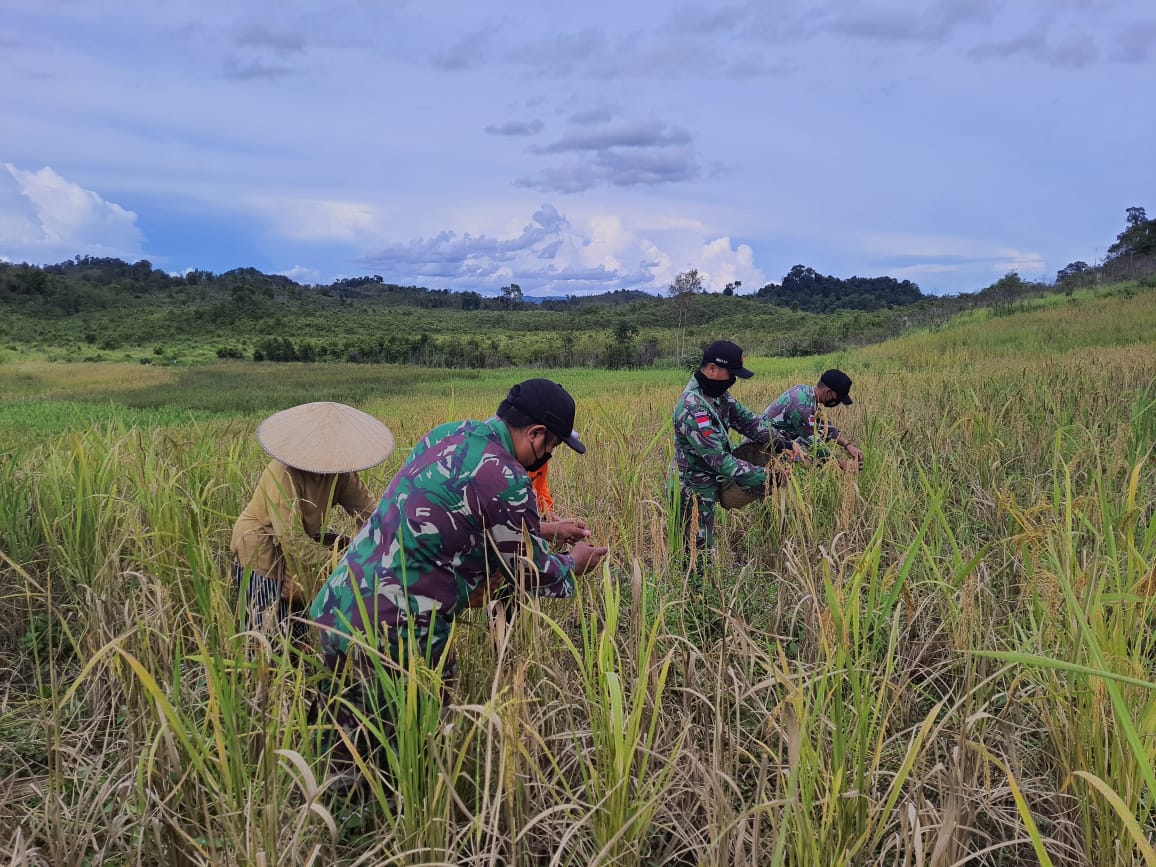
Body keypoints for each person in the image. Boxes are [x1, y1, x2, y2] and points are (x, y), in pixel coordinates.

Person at [310, 378, 608, 686]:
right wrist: (573, 563)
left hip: (337, 607)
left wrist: (546, 530)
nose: (547, 455)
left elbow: (459, 518)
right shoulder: (508, 477)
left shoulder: (445, 434)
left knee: (336, 717)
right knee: (420, 716)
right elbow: (530, 572)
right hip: (392, 636)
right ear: (535, 433)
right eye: (551, 446)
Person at [230, 401, 395, 638]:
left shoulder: (341, 474)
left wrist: (392, 542)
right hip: (260, 547)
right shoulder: (283, 473)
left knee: (300, 625)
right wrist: (345, 563)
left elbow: (372, 514)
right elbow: (292, 540)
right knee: (267, 630)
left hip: (298, 547)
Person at [671, 340, 788, 564]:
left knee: (702, 547)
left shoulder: (719, 395)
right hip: (692, 488)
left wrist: (783, 444)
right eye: (731, 374)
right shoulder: (692, 407)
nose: (733, 380)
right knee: (696, 553)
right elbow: (721, 461)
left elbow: (749, 422)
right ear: (712, 369)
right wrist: (768, 477)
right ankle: (695, 584)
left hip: (710, 480)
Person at [762, 369, 863, 469]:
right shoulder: (803, 406)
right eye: (838, 398)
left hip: (781, 441)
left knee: (818, 436)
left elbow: (825, 427)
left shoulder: (806, 392)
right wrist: (839, 464)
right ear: (827, 392)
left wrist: (847, 445)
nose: (837, 402)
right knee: (812, 459)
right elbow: (814, 442)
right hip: (766, 447)